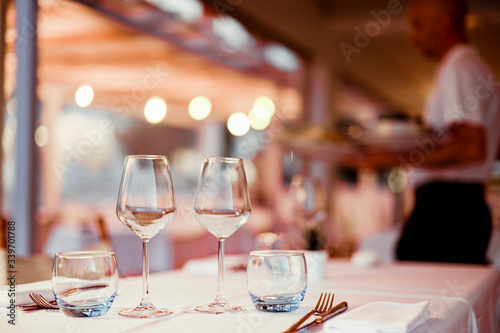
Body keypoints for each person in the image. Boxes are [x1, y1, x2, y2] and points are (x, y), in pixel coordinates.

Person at [364, 0, 500, 264]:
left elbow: (471, 147)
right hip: (462, 208)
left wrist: (394, 158)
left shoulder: (459, 68)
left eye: (417, 25)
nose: (412, 36)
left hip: (447, 211)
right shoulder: (477, 69)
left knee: (422, 299)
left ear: (444, 23)